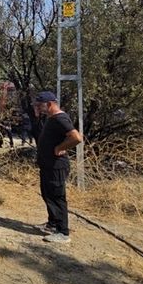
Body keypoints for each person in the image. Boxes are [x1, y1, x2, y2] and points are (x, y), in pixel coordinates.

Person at [33, 91, 83, 244]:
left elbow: (76, 137)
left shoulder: (60, 118)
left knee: (57, 197)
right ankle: (52, 224)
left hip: (56, 166)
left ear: (49, 104)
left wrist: (60, 147)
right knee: (48, 195)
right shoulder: (51, 118)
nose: (38, 108)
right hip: (48, 165)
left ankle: (63, 232)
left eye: (40, 105)